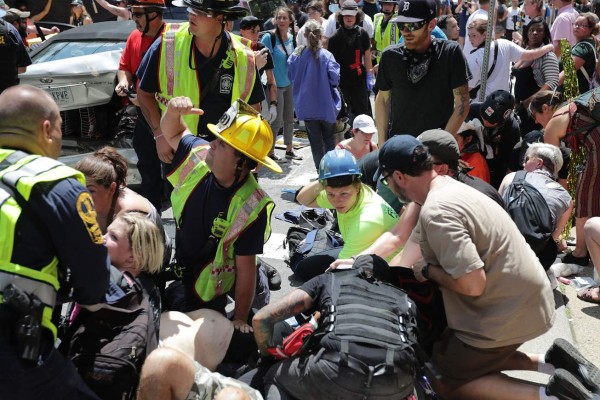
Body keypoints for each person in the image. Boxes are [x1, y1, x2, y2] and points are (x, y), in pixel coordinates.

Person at [377, 134, 600, 400]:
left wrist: (427, 271)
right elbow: (408, 244)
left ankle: (557, 396)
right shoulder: (449, 187)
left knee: (441, 378)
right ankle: (555, 362)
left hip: (507, 313)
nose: (389, 186)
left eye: (388, 180)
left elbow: (472, 284)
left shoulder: (437, 211)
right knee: (447, 352)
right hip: (526, 299)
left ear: (399, 177)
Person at [0, 85, 109, 398]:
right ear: (46, 129)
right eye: (61, 129)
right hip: (14, 346)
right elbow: (94, 282)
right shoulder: (55, 183)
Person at [160, 97, 281, 332]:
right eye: (217, 138)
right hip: (197, 268)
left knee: (227, 326)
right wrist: (173, 113)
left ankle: (260, 280)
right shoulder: (199, 157)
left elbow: (245, 270)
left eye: (223, 144)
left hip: (230, 273)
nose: (212, 144)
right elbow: (174, 133)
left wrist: (240, 318)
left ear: (243, 164)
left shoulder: (251, 206)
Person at [253, 254, 420, 400]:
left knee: (274, 375)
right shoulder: (405, 300)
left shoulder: (332, 279)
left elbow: (261, 319)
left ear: (354, 269)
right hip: (395, 380)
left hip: (335, 370)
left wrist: (266, 357)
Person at [137, 0, 263, 142]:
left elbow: (252, 109)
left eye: (199, 12)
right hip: (177, 145)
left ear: (220, 18)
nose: (191, 15)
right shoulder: (167, 43)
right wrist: (160, 136)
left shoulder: (244, 56)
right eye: (190, 9)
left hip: (223, 149)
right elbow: (144, 93)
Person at [295, 148, 398, 281]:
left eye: (344, 194)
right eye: (330, 194)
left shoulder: (366, 220)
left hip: (387, 269)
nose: (337, 201)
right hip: (362, 247)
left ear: (357, 187)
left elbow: (341, 270)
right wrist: (322, 181)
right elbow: (302, 199)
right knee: (303, 268)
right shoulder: (349, 193)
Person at [375, 0, 470, 142]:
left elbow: (462, 102)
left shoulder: (449, 53)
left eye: (413, 25)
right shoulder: (390, 56)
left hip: (436, 150)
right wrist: (382, 145)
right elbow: (382, 99)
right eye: (401, 25)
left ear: (431, 25)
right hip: (400, 146)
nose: (406, 32)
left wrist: (440, 144)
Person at [115, 0, 166, 212]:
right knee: (148, 165)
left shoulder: (171, 39)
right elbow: (124, 66)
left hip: (169, 116)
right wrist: (124, 81)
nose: (133, 18)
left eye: (138, 14)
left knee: (176, 167)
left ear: (154, 14)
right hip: (143, 115)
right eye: (133, 13)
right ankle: (153, 212)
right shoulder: (134, 37)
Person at [544, 88, 600, 273]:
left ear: (544, 109)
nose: (537, 122)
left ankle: (581, 252)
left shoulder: (551, 126)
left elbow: (553, 168)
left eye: (535, 117)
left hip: (597, 145)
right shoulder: (573, 106)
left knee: (585, 195)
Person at [499, 143, 573, 270]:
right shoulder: (566, 198)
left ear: (539, 163)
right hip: (536, 258)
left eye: (527, 159)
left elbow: (495, 211)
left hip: (502, 248)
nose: (523, 164)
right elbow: (554, 236)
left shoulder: (512, 178)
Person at [288, 19, 340, 171]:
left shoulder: (297, 54)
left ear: (304, 34)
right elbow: (335, 79)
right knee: (329, 141)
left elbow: (290, 72)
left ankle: (320, 172)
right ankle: (332, 172)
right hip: (326, 106)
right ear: (321, 36)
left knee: (316, 143)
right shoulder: (327, 55)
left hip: (306, 107)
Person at [466, 17, 555, 101]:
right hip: (504, 100)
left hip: (484, 103)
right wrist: (549, 46)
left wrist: (530, 102)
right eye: (469, 35)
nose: (470, 39)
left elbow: (466, 88)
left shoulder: (476, 57)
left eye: (474, 35)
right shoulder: (504, 44)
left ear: (485, 34)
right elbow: (530, 55)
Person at [260, 6, 302, 160]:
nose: (281, 21)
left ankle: (289, 149)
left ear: (291, 21)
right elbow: (264, 62)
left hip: (289, 84)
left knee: (289, 119)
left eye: (285, 18)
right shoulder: (268, 38)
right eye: (279, 17)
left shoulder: (293, 38)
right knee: (276, 122)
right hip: (275, 86)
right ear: (275, 20)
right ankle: (270, 152)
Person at [327, 0, 373, 119]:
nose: (349, 18)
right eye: (346, 15)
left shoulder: (363, 34)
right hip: (342, 84)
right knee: (343, 117)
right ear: (341, 16)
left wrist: (369, 75)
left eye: (352, 15)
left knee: (363, 115)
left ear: (356, 16)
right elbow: (331, 62)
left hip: (359, 81)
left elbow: (367, 55)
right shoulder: (334, 38)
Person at [512, 17, 559, 134]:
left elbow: (552, 82)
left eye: (539, 30)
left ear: (544, 34)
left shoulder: (548, 56)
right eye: (531, 30)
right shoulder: (525, 52)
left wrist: (530, 101)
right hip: (521, 107)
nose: (534, 33)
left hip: (536, 110)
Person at [467, 89, 521, 188]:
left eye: (491, 121)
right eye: (483, 117)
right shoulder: (472, 110)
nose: (485, 122)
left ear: (502, 122)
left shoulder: (512, 129)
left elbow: (508, 161)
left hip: (496, 168)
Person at [238, 16, 278, 131]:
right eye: (252, 31)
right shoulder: (233, 49)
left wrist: (273, 104)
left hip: (256, 98)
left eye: (257, 31)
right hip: (237, 99)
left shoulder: (263, 50)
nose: (256, 35)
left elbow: (271, 79)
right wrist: (254, 66)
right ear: (242, 31)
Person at [557, 12, 600, 95]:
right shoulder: (590, 44)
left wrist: (544, 89)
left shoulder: (583, 47)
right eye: (576, 24)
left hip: (572, 99)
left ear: (590, 29)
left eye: (582, 25)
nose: (577, 27)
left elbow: (567, 72)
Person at [0, 8, 31, 94]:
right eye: (23, 22)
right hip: (7, 94)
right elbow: (22, 68)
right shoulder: (10, 30)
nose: (26, 25)